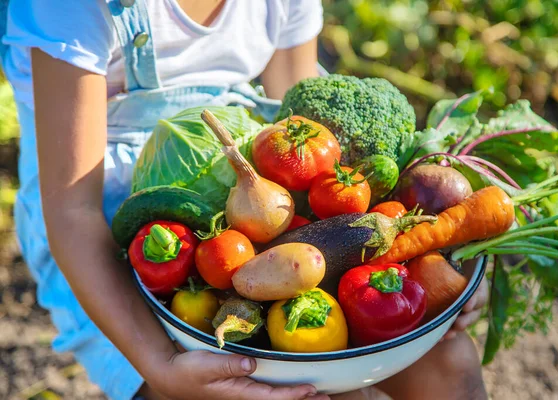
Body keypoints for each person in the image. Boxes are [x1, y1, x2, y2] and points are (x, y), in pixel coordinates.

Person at [1, 1, 489, 399]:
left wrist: (438, 286)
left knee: (451, 363)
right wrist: (163, 365)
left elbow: (296, 118)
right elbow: (73, 213)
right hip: (111, 243)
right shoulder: (71, 8)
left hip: (262, 217)